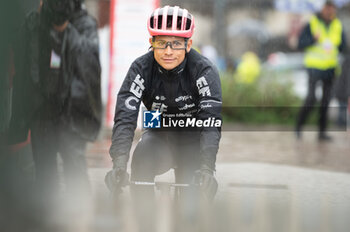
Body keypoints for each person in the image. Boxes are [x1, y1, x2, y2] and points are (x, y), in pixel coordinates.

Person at [105, 5, 222, 231]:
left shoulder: (204, 71)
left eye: (176, 43)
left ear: (188, 45)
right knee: (141, 160)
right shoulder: (141, 68)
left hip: (191, 141)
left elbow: (211, 124)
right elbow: (125, 118)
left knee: (190, 214)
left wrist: (207, 168)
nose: (168, 51)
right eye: (161, 43)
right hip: (157, 138)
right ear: (152, 42)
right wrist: (119, 163)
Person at [9, 0, 102, 216]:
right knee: (44, 175)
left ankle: (79, 219)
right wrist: (20, 120)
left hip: (71, 112)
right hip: (42, 111)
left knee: (75, 172)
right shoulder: (33, 23)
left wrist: (62, 32)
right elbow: (23, 72)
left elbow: (88, 71)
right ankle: (45, 218)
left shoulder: (83, 25)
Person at [295, 0, 347, 141]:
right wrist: (313, 39)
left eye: (332, 8)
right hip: (314, 67)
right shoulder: (312, 23)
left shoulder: (337, 25)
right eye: (327, 7)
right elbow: (300, 43)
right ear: (323, 9)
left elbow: (343, 46)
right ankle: (298, 127)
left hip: (330, 68)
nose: (330, 11)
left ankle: (321, 132)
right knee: (311, 98)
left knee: (326, 101)